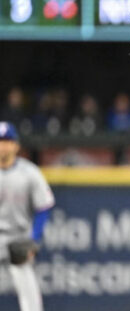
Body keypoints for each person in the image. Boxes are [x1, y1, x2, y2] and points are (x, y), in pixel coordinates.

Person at [0, 122, 55, 311]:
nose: (3, 146)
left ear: (16, 145)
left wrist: (34, 239)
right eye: (0, 141)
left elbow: (44, 206)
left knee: (30, 299)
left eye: (7, 141)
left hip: (18, 237)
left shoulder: (29, 173)